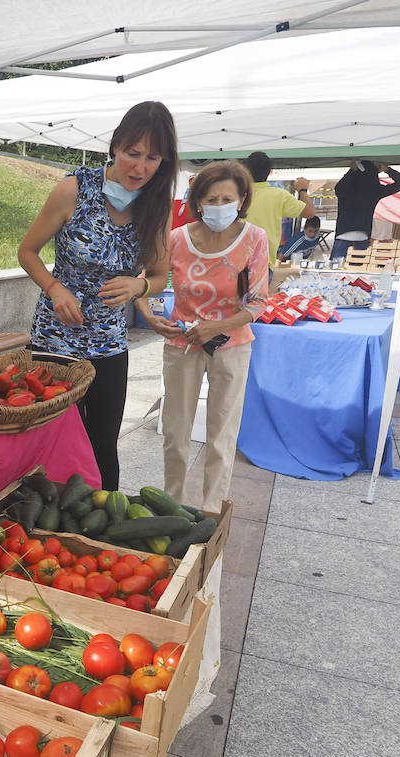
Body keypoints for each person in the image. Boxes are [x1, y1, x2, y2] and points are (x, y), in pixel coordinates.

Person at [18, 100, 178, 490]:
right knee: (52, 436)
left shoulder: (157, 206)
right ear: (115, 147)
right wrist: (55, 288)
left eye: (152, 158)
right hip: (55, 337)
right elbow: (27, 252)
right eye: (131, 153)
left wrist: (139, 285)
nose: (139, 168)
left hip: (108, 341)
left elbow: (160, 275)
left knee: (103, 441)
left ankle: (103, 525)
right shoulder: (74, 189)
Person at [153, 160, 269, 511]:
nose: (219, 206)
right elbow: (151, 282)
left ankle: (211, 513)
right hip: (181, 346)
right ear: (197, 200)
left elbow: (260, 301)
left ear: (243, 199)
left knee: (222, 435)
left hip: (232, 347)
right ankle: (170, 508)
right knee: (175, 433)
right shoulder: (176, 239)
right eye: (211, 199)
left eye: (227, 199)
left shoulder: (254, 239)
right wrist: (153, 316)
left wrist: (216, 326)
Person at [243, 151, 314, 271]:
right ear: (270, 172)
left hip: (236, 260)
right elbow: (310, 212)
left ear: (245, 170)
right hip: (264, 262)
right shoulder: (279, 195)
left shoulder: (236, 194)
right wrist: (302, 190)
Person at [331, 160, 400, 261]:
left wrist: (352, 171)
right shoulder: (375, 190)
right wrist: (387, 170)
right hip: (363, 237)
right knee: (359, 272)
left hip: (343, 236)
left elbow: (338, 188)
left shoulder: (346, 189)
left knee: (336, 271)